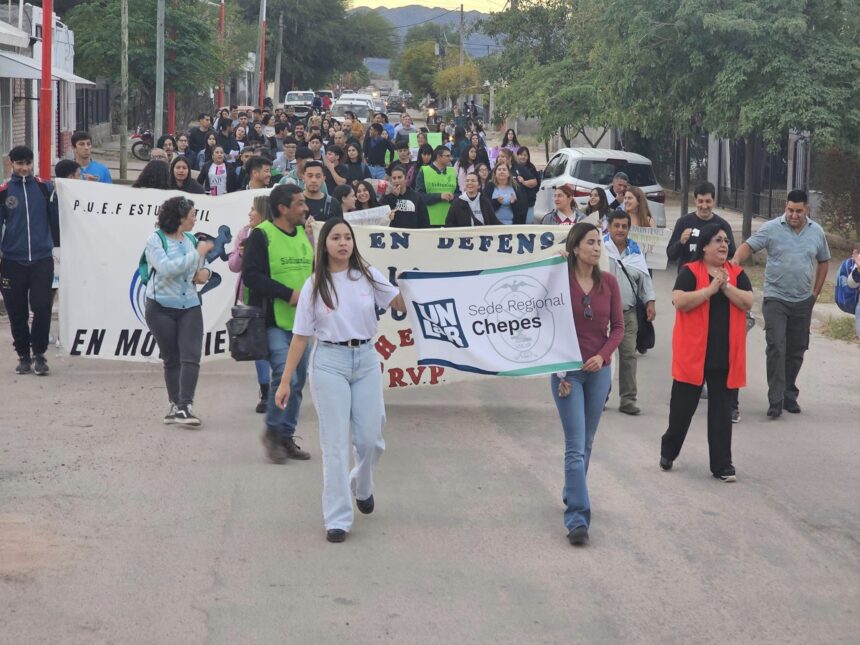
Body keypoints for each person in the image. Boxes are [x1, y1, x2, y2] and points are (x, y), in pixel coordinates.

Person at [273, 217, 406, 543]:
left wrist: (410, 281)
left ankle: (362, 484)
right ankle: (337, 518)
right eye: (336, 238)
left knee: (370, 438)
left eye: (348, 237)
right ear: (325, 244)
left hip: (365, 360)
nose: (343, 243)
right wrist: (286, 380)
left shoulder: (368, 275)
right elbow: (300, 337)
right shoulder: (314, 285)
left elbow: (398, 302)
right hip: (329, 362)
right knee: (334, 444)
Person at [660, 224, 753, 481]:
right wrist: (709, 290)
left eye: (725, 240)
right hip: (693, 354)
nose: (723, 245)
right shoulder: (691, 272)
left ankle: (722, 465)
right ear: (704, 247)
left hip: (723, 355)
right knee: (682, 411)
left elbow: (748, 301)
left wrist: (725, 287)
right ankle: (669, 450)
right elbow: (679, 300)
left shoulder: (736, 273)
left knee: (721, 413)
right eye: (717, 240)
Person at [553, 223, 624, 546]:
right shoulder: (559, 281)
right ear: (575, 247)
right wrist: (550, 267)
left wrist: (603, 356)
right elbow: (536, 313)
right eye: (590, 242)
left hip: (598, 372)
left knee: (587, 442)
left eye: (599, 243)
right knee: (574, 444)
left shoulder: (608, 282)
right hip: (567, 374)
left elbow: (619, 329)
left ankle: (572, 491)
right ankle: (578, 517)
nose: (597, 248)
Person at [731, 189, 830, 419]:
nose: (794, 215)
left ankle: (788, 394)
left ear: (807, 210)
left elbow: (824, 261)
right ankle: (775, 399)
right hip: (776, 298)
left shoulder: (817, 232)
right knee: (776, 345)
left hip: (802, 299)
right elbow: (749, 245)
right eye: (790, 210)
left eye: (799, 211)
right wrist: (735, 260)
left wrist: (814, 294)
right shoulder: (772, 227)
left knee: (797, 350)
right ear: (785, 207)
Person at [242, 184, 315, 464]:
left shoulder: (302, 236)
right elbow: (251, 276)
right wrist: (288, 295)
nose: (304, 208)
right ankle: (272, 432)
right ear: (283, 209)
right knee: (286, 375)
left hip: (303, 324)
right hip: (273, 321)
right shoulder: (262, 236)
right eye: (299, 203)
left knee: (298, 383)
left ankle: (285, 435)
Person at [143, 196, 214, 427]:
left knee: (191, 355)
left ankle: (185, 406)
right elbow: (166, 269)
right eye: (192, 214)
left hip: (190, 306)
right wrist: (197, 254)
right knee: (171, 358)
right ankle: (174, 404)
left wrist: (206, 273)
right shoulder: (156, 240)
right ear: (180, 217)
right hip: (160, 307)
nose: (195, 218)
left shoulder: (191, 239)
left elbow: (203, 268)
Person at [0, 146, 58, 375]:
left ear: (33, 163)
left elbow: (58, 218)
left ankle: (40, 354)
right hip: (12, 261)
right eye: (19, 164)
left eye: (28, 163)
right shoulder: (4, 191)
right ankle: (23, 355)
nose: (24, 168)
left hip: (42, 259)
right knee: (17, 312)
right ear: (11, 163)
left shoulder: (45, 188)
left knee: (42, 307)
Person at [604, 210, 656, 415]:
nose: (620, 230)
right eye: (616, 225)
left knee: (628, 356)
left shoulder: (635, 252)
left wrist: (650, 301)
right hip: (602, 316)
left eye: (624, 226)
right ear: (609, 227)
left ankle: (628, 400)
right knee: (603, 358)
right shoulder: (599, 248)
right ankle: (600, 397)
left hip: (628, 313)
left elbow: (644, 280)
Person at [228, 195, 273, 414]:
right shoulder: (244, 233)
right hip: (250, 297)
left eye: (253, 209)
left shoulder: (276, 233)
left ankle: (281, 387)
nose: (249, 214)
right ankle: (266, 391)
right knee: (258, 345)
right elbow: (233, 266)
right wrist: (241, 254)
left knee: (277, 344)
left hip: (275, 297)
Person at [667, 182, 736, 271]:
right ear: (695, 201)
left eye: (708, 201)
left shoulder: (723, 225)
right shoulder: (683, 222)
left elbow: (731, 256)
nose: (704, 206)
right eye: (700, 201)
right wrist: (681, 242)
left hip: (713, 278)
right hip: (687, 279)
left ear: (713, 201)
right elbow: (671, 255)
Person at [417, 145, 457, 227]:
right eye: (447, 156)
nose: (450, 158)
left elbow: (460, 194)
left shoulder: (452, 171)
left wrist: (453, 197)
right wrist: (440, 196)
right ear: (439, 157)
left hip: (450, 220)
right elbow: (419, 197)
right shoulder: (424, 171)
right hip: (429, 221)